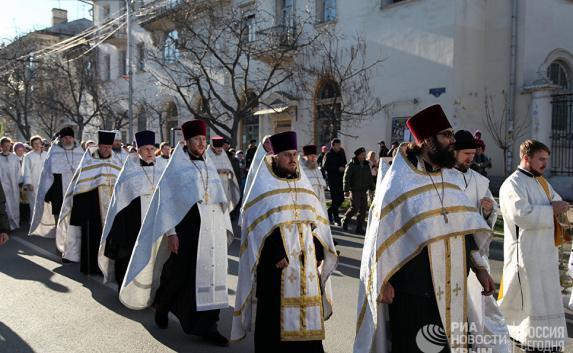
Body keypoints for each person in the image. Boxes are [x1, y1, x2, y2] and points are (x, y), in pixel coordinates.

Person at [354, 105, 495, 353]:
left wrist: (480, 268)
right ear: (427, 141)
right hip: (414, 293)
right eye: (447, 135)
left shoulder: (449, 177)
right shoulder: (398, 183)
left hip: (453, 286)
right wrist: (382, 280)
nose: (453, 141)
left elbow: (465, 232)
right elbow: (380, 238)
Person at [119, 120, 233, 346]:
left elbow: (219, 196)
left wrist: (224, 223)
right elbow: (166, 203)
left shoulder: (209, 164)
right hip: (186, 229)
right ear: (187, 142)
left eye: (203, 140)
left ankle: (209, 326)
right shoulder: (176, 166)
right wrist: (171, 233)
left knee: (212, 275)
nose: (201, 144)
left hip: (211, 230)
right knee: (178, 274)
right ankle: (162, 306)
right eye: (196, 140)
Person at [231, 131, 338, 352]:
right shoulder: (264, 185)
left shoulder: (303, 182)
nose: (292, 159)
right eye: (287, 155)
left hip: (305, 265)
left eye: (294, 154)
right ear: (275, 157)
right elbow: (256, 226)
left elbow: (315, 221)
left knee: (307, 321)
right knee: (274, 325)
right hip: (276, 267)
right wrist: (275, 253)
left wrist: (318, 251)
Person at [498, 139, 569, 352]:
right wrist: (552, 210)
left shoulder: (543, 183)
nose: (545, 164)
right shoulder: (512, 184)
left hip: (545, 254)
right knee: (530, 304)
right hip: (526, 256)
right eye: (541, 159)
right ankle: (530, 342)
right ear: (526, 158)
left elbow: (557, 205)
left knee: (547, 300)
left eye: (547, 159)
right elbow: (522, 215)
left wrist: (562, 210)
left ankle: (550, 343)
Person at [453, 130, 511, 352]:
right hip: (452, 251)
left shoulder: (478, 180)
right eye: (466, 153)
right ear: (454, 151)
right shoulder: (442, 176)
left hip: (475, 253)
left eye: (473, 153)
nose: (471, 157)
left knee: (481, 310)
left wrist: (487, 212)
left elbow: (491, 215)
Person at [99, 130, 166, 288]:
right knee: (129, 254)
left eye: (151, 149)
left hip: (156, 219)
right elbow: (121, 199)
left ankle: (152, 289)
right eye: (145, 149)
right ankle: (126, 287)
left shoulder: (163, 168)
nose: (149, 152)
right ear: (138, 151)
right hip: (132, 220)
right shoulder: (129, 169)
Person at [55, 130, 123, 274]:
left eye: (109, 147)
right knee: (92, 238)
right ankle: (92, 267)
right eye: (104, 146)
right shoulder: (89, 161)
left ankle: (109, 266)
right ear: (99, 146)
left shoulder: (117, 161)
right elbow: (79, 186)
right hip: (93, 209)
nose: (107, 149)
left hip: (111, 207)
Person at [29, 127, 84, 238]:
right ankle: (60, 243)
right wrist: (47, 192)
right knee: (59, 219)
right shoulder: (54, 151)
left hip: (76, 191)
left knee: (75, 219)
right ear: (60, 139)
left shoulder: (81, 152)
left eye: (70, 138)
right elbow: (46, 174)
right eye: (65, 138)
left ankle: (74, 241)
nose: (68, 140)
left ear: (73, 139)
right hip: (58, 191)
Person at [341, 147, 375, 235]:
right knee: (355, 207)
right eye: (362, 155)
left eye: (365, 154)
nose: (364, 156)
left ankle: (359, 228)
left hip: (364, 190)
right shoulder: (351, 165)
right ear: (358, 155)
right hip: (354, 190)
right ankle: (345, 219)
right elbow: (346, 178)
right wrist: (346, 190)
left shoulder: (367, 165)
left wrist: (372, 187)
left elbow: (369, 177)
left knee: (363, 209)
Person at [207, 137, 241, 211]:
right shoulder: (207, 155)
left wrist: (228, 171)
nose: (220, 150)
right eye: (217, 148)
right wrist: (218, 171)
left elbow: (230, 170)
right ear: (213, 148)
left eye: (220, 148)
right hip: (213, 189)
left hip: (225, 185)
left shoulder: (223, 154)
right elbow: (205, 171)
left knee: (225, 209)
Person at [322, 138, 347, 225]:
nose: (339, 147)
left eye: (339, 145)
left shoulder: (342, 152)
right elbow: (325, 167)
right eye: (337, 145)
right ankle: (336, 219)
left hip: (340, 179)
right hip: (332, 180)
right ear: (333, 146)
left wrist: (343, 167)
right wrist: (337, 168)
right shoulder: (328, 155)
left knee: (341, 199)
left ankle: (329, 211)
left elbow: (344, 162)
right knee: (335, 199)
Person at [22, 135, 48, 218]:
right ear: (31, 145)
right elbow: (26, 170)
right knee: (34, 205)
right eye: (34, 144)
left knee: (45, 204)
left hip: (46, 184)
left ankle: (45, 226)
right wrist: (28, 183)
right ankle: (34, 225)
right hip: (33, 184)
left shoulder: (47, 155)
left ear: (41, 144)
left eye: (38, 143)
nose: (37, 145)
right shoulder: (28, 156)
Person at [0, 137, 21, 230]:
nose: (6, 148)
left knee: (15, 204)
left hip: (14, 185)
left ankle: (15, 223)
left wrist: (19, 181)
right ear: (1, 146)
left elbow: (18, 171)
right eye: (4, 146)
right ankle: (7, 225)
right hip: (3, 185)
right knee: (6, 205)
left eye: (8, 146)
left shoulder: (14, 157)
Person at [300, 144, 327, 209]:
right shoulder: (301, 171)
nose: (313, 158)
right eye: (311, 156)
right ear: (305, 157)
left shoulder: (318, 170)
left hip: (321, 204)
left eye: (315, 156)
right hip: (307, 204)